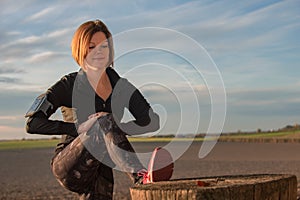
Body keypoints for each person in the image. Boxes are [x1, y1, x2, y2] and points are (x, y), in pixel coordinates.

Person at [25, 19, 173, 200]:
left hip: (101, 166)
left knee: (106, 122)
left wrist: (116, 127)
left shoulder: (122, 86)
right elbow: (33, 123)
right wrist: (79, 127)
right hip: (70, 165)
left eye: (104, 46)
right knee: (103, 121)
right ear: (80, 49)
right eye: (91, 47)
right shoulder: (68, 84)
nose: (99, 52)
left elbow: (151, 120)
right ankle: (141, 176)